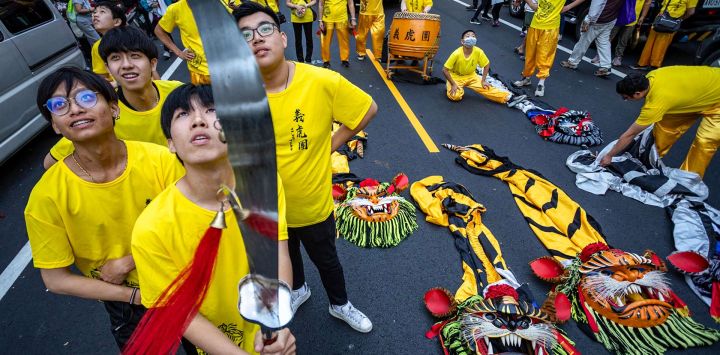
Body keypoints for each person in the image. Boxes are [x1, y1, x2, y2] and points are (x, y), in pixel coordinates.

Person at [233, 2, 377, 333]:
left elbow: (367, 108)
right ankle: (299, 290)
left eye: (264, 29)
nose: (256, 39)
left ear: (283, 38)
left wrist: (329, 144)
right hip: (271, 207)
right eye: (245, 36)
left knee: (327, 260)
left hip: (312, 204)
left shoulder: (321, 80)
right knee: (290, 256)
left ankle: (340, 304)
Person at [25, 67, 184, 349]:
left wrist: (129, 261)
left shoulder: (161, 161)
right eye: (59, 105)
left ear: (114, 108)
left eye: (85, 97)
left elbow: (195, 221)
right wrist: (133, 297)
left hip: (184, 275)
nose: (74, 109)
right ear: (55, 125)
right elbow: (56, 278)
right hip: (126, 300)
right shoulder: (46, 197)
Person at [131, 84, 296, 354]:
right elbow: (181, 313)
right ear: (170, 144)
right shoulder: (152, 229)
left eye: (211, 110)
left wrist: (278, 324)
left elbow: (278, 255)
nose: (198, 120)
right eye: (183, 115)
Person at [44, 26, 184, 169]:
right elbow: (50, 162)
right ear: (108, 68)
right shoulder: (102, 112)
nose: (126, 65)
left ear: (153, 63)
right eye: (115, 58)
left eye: (135, 56)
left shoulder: (177, 92)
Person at [600, 68, 720, 178]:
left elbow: (629, 135)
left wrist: (609, 155)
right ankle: (650, 159)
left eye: (626, 97)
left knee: (705, 141)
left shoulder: (656, 104)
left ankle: (689, 178)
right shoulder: (652, 76)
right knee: (667, 125)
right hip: (698, 95)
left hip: (716, 99)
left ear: (638, 93)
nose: (626, 100)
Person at [512, 0, 585, 97]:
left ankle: (541, 83)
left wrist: (568, 7)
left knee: (544, 56)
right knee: (530, 53)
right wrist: (529, 3)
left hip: (550, 29)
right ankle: (526, 78)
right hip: (535, 25)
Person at [443, 30, 526, 106]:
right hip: (456, 77)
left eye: (473, 36)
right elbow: (445, 70)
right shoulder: (456, 53)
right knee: (455, 96)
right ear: (462, 41)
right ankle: (449, 85)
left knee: (486, 87)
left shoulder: (478, 51)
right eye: (467, 36)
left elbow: (486, 64)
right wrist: (453, 84)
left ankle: (509, 98)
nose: (471, 38)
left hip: (471, 76)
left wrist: (483, 80)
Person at [560, 0, 624, 77]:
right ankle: (605, 67)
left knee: (584, 41)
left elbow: (596, 4)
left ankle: (572, 62)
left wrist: (588, 20)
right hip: (611, 18)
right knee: (604, 42)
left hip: (598, 19)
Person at [155, 0, 213, 84]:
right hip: (201, 72)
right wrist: (179, 53)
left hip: (231, 63)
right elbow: (159, 31)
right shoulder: (176, 9)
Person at [634, 0, 697, 70]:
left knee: (653, 42)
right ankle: (650, 64)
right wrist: (679, 19)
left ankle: (647, 64)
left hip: (664, 18)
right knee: (659, 44)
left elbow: (691, 12)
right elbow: (690, 12)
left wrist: (680, 19)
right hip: (669, 20)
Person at [589, 0, 651, 67]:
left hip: (632, 18)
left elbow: (647, 2)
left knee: (624, 40)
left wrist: (642, 16)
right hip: (617, 14)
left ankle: (618, 57)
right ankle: (600, 55)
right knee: (609, 36)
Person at [90, 1, 126, 82]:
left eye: (102, 11)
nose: (95, 15)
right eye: (94, 12)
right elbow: (102, 78)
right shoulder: (97, 47)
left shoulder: (131, 37)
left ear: (116, 22)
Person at [318, 0, 356, 68]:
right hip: (327, 19)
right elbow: (321, 4)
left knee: (344, 40)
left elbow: (350, 3)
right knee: (325, 41)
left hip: (342, 19)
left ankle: (345, 60)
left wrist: (353, 19)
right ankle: (326, 61)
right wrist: (320, 20)